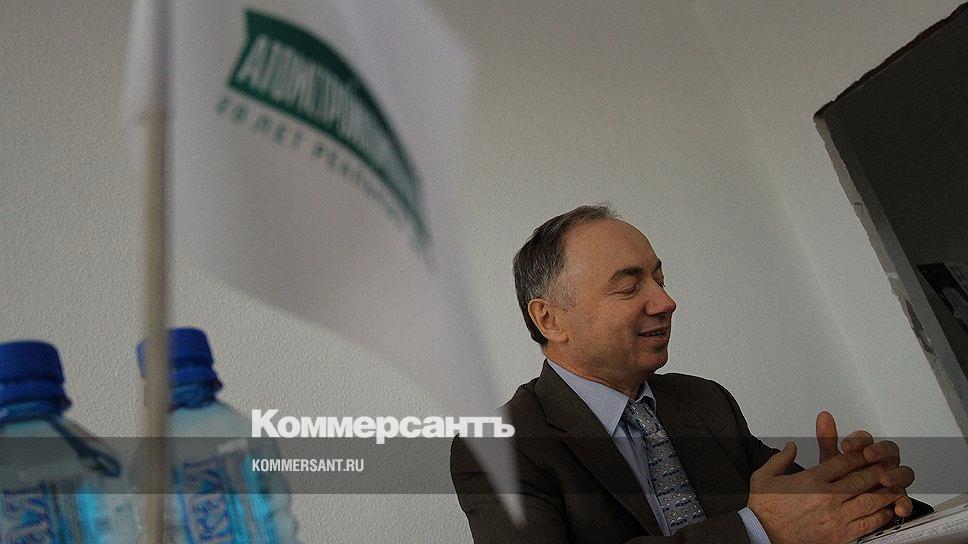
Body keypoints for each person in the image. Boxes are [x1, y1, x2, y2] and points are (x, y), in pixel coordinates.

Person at [451, 205, 921, 544]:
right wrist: (758, 530)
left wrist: (859, 493)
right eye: (629, 287)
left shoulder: (705, 402)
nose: (665, 302)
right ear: (550, 319)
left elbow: (802, 512)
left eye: (660, 279)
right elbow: (775, 523)